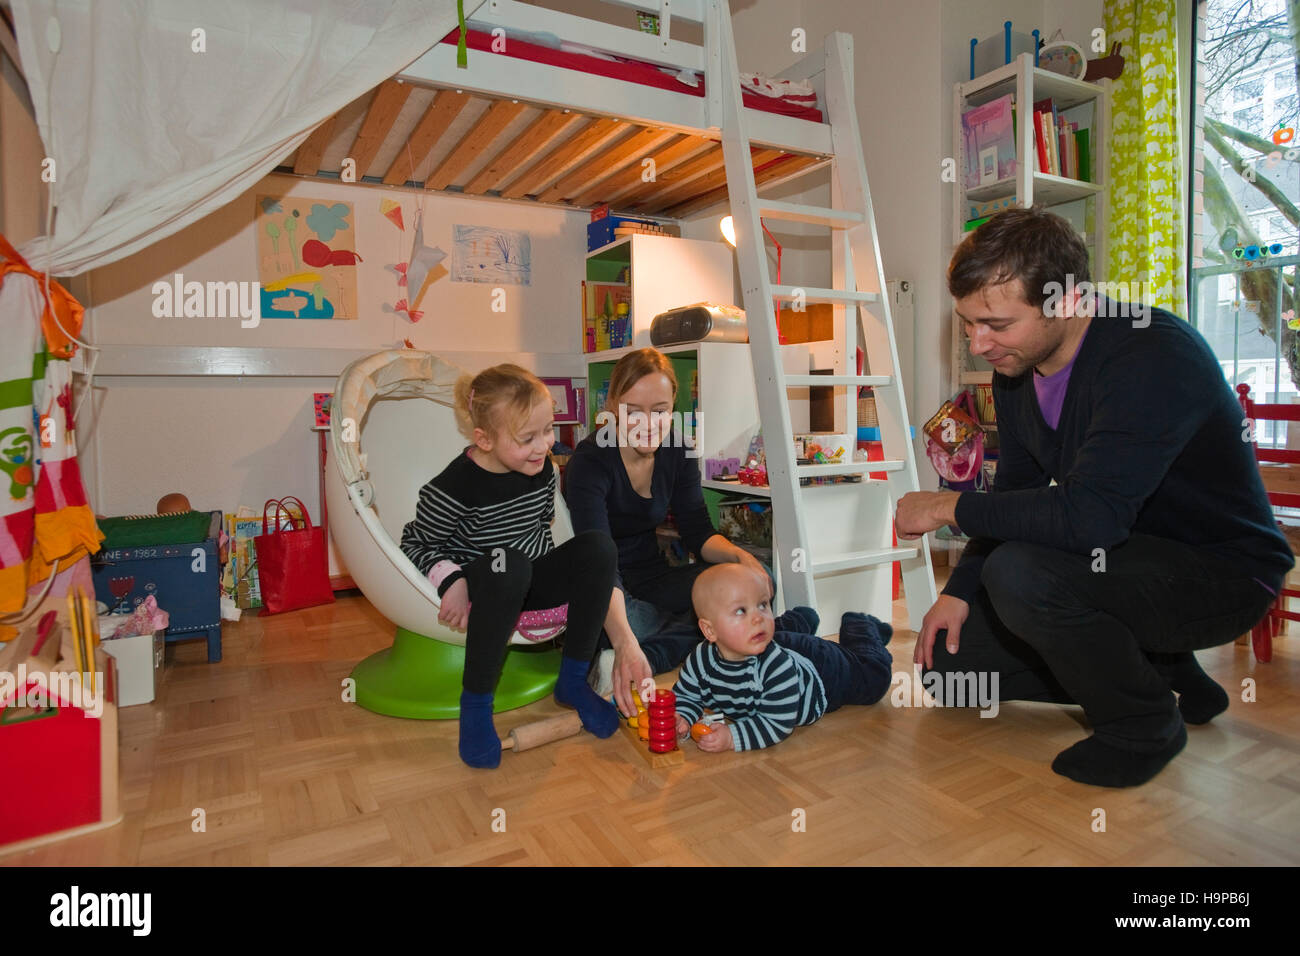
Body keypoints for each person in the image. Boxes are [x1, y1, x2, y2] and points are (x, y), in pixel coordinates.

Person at [896, 206, 1293, 788]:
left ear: (1068, 301)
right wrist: (957, 591)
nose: (979, 344)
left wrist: (946, 505)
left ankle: (1143, 723)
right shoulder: (1016, 372)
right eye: (967, 323)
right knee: (951, 671)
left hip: (1224, 574)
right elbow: (1019, 494)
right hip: (1123, 566)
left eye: (997, 325)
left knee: (1022, 573)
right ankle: (1157, 668)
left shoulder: (1152, 353)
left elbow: (1090, 519)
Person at [400, 363, 619, 769]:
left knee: (599, 548)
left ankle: (572, 681)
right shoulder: (452, 488)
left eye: (548, 430)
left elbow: (541, 529)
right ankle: (477, 706)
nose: (543, 446)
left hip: (529, 579)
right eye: (527, 438)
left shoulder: (542, 471)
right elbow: (415, 542)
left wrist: (561, 580)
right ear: (483, 439)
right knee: (509, 562)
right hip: (490, 586)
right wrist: (454, 581)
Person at [563, 347, 767, 718]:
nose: (648, 423)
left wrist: (741, 559)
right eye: (632, 410)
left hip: (653, 578)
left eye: (659, 410)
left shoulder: (676, 448)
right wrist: (624, 637)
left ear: (674, 404)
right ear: (611, 406)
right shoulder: (590, 461)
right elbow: (597, 562)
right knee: (650, 623)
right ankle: (658, 645)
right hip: (603, 588)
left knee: (751, 583)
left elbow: (698, 533)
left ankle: (656, 646)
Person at [670, 563, 893, 752]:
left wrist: (731, 737)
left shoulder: (776, 667)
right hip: (776, 643)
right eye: (741, 611)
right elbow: (687, 695)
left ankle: (861, 626)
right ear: (709, 631)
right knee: (776, 635)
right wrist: (682, 716)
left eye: (763, 604)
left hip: (822, 673)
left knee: (874, 678)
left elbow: (777, 723)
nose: (758, 617)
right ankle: (803, 617)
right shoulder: (700, 660)